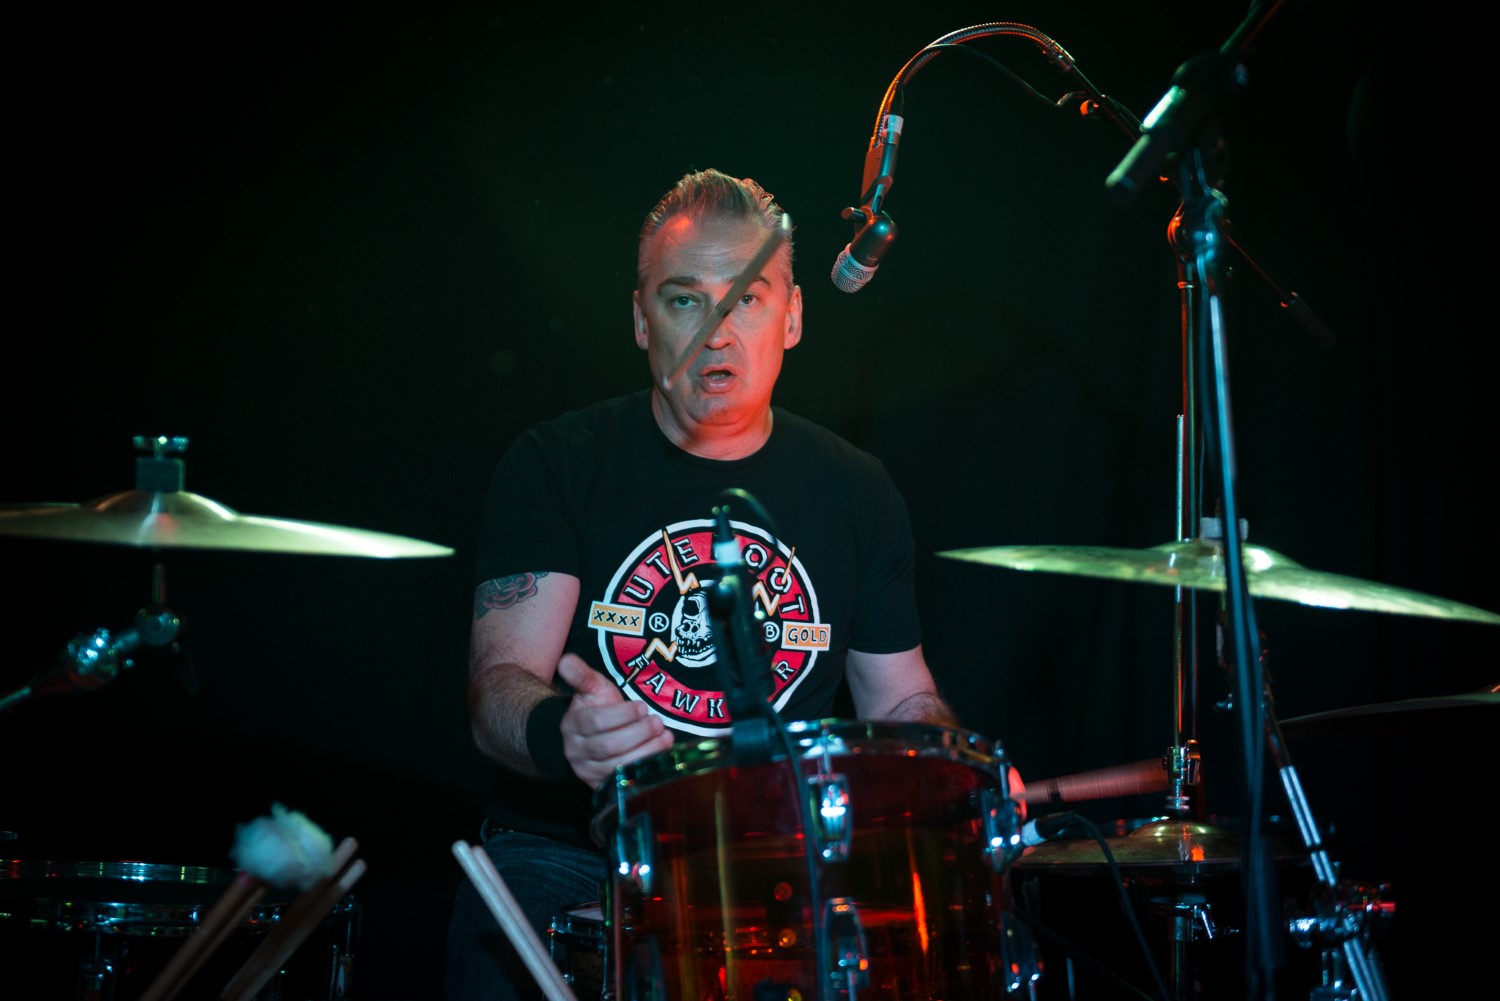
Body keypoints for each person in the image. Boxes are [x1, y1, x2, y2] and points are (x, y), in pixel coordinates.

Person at [444, 167, 1020, 999]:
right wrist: (563, 730)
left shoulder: (856, 489)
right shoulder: (559, 463)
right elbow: (498, 686)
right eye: (685, 299)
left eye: (746, 298)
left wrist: (957, 775)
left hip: (775, 867)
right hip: (570, 856)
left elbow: (900, 697)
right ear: (641, 320)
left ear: (793, 317)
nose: (717, 331)